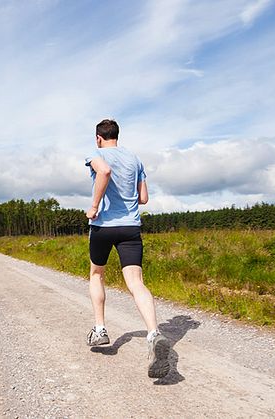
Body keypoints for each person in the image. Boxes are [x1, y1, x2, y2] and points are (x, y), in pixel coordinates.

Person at [84, 119, 170, 378]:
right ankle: (154, 333)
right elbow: (143, 198)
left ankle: (100, 330)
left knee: (97, 274)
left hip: (103, 227)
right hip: (131, 227)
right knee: (135, 282)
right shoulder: (135, 159)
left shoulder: (95, 154)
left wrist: (95, 206)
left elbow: (105, 172)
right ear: (117, 136)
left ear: (99, 137)